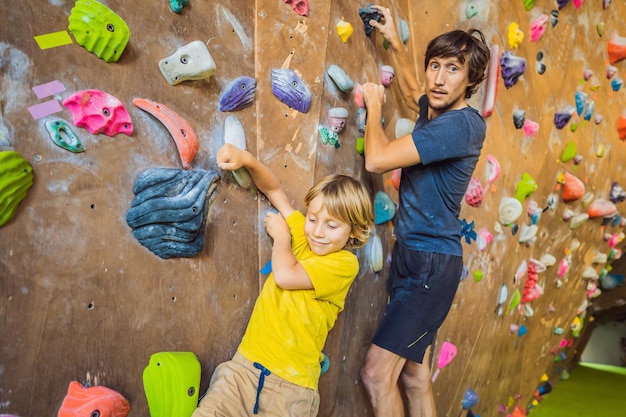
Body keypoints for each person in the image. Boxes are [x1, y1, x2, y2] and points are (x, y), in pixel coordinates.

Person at [359, 5, 491, 417]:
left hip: (430, 266)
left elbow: (377, 161)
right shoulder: (438, 112)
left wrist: (374, 106)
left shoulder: (458, 126)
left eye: (453, 69)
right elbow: (416, 90)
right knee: (414, 378)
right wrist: (396, 46)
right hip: (421, 257)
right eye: (435, 65)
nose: (438, 78)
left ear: (471, 80)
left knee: (377, 376)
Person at [191, 143, 374, 417]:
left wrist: (282, 237)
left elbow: (286, 276)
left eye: (332, 225)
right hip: (243, 371)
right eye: (313, 219)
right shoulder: (305, 238)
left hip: (290, 390)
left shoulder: (344, 264)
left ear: (353, 231)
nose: (318, 232)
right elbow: (274, 191)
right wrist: (248, 161)